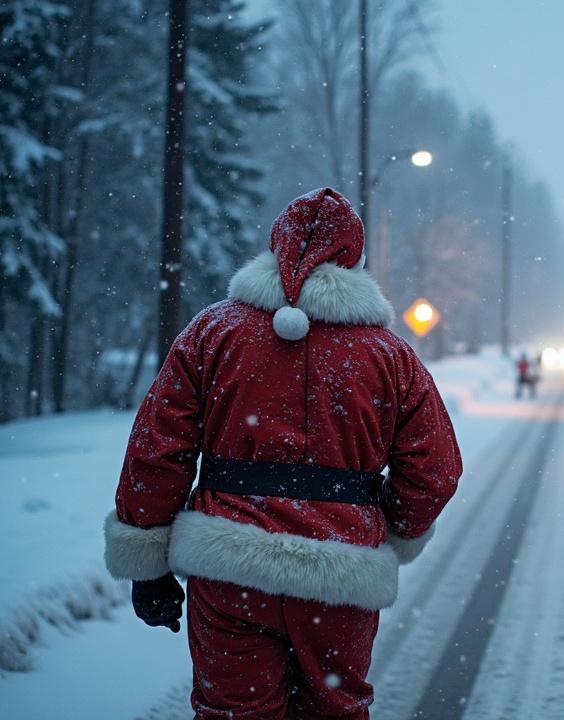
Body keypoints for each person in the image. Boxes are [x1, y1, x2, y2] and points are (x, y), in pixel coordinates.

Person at [103, 188, 462, 720]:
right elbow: (434, 469)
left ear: (274, 246)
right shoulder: (390, 356)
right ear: (353, 258)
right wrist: (391, 524)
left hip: (229, 570)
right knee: (333, 709)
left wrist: (148, 562)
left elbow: (158, 450)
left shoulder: (213, 333)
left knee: (233, 712)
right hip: (341, 577)